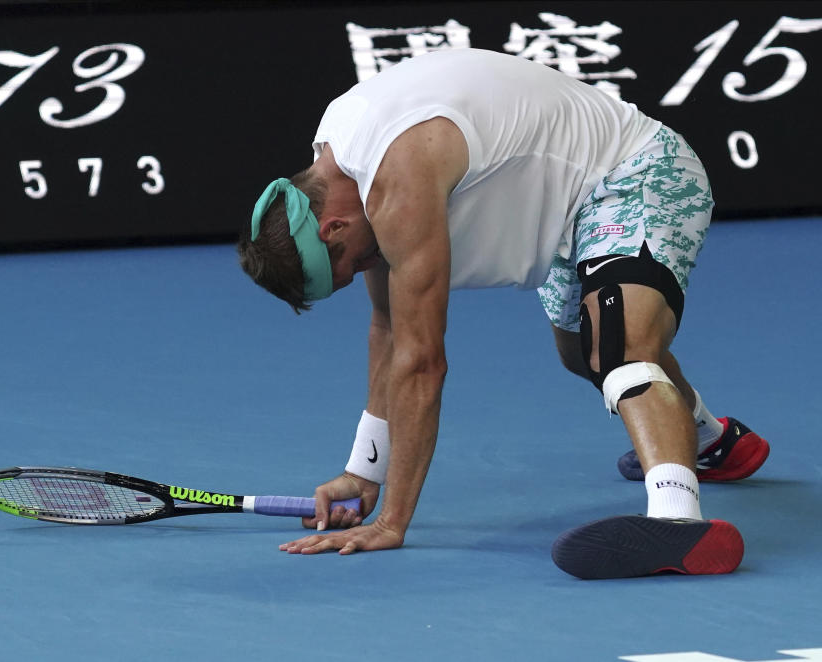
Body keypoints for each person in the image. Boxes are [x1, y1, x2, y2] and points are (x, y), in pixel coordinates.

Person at [236, 48, 770, 579]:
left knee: (619, 348)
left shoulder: (395, 177)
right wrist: (364, 470)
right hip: (567, 208)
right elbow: (389, 328)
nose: (368, 269)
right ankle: (710, 440)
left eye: (355, 265)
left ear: (333, 228)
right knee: (583, 355)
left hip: (636, 172)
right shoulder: (340, 166)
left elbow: (422, 363)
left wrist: (392, 521)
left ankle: (679, 521)